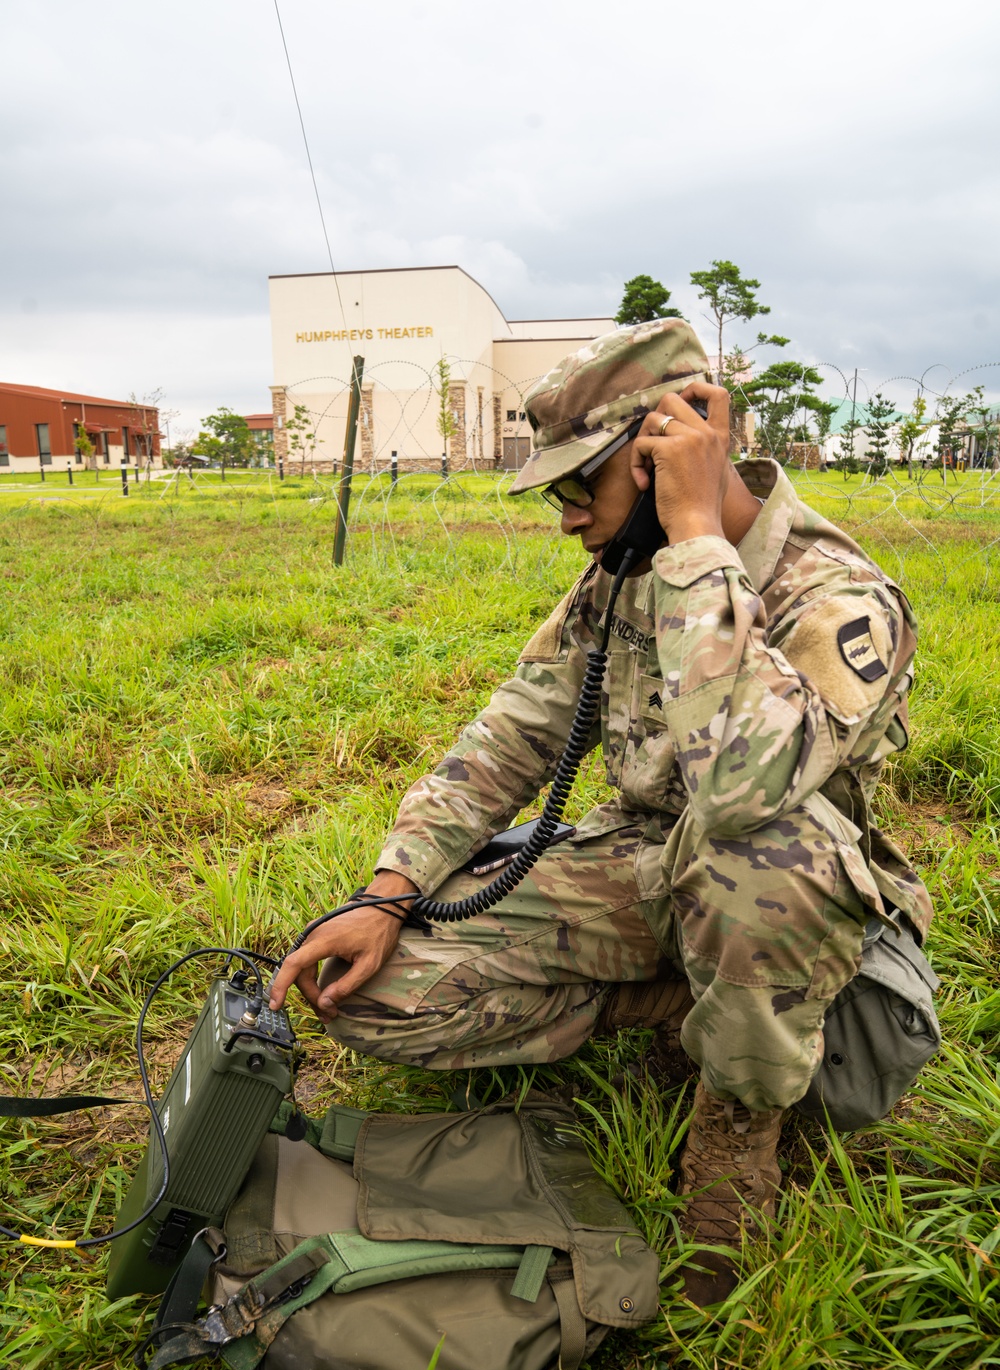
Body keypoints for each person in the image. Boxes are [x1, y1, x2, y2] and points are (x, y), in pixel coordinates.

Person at [269, 320, 931, 1306]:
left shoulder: (837, 595)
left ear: (665, 455)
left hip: (782, 899)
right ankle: (681, 1009)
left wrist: (699, 539)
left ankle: (735, 1138)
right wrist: (390, 889)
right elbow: (512, 735)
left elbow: (743, 788)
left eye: (581, 487)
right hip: (646, 871)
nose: (568, 519)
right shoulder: (617, 578)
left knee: (757, 856)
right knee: (368, 995)